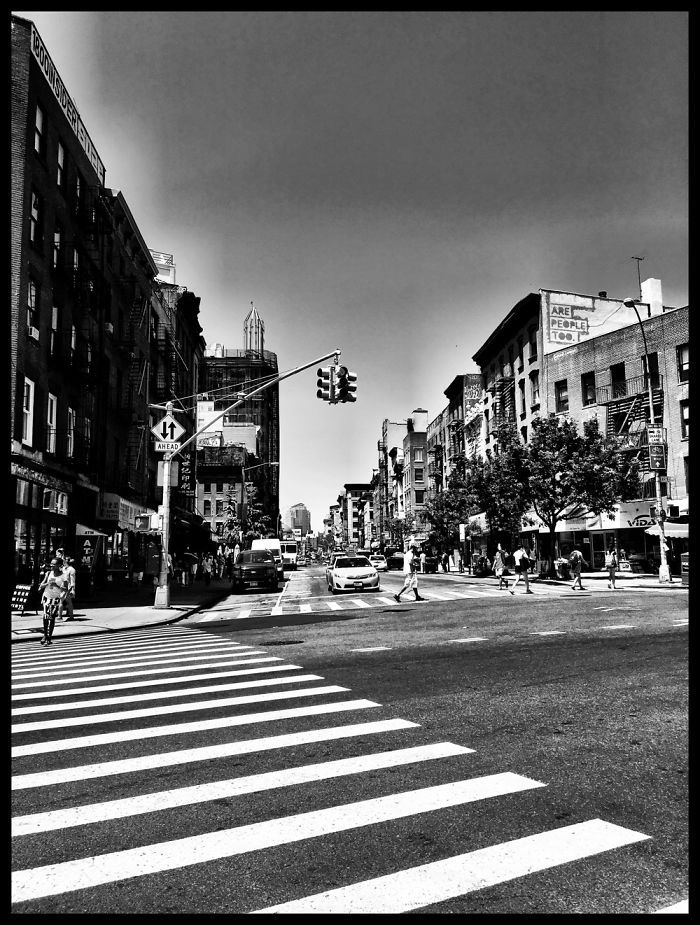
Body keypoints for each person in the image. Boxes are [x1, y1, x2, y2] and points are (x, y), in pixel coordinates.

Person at [37, 557, 68, 645]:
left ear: (59, 566)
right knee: (45, 616)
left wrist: (56, 585)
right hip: (47, 597)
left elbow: (65, 589)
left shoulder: (63, 575)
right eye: (51, 564)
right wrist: (48, 583)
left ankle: (49, 636)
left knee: (52, 617)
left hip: (56, 598)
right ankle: (45, 635)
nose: (52, 565)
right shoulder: (48, 573)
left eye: (54, 564)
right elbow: (41, 585)